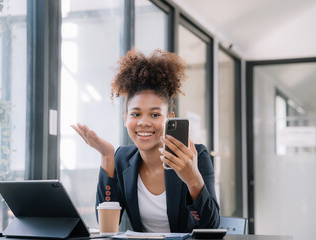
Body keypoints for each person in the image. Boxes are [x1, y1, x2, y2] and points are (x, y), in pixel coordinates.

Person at [71, 48, 220, 233]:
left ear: (169, 118)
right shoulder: (122, 158)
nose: (143, 122)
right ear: (125, 118)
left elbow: (211, 226)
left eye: (155, 114)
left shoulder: (195, 156)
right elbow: (106, 227)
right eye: (136, 114)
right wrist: (107, 156)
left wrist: (193, 180)